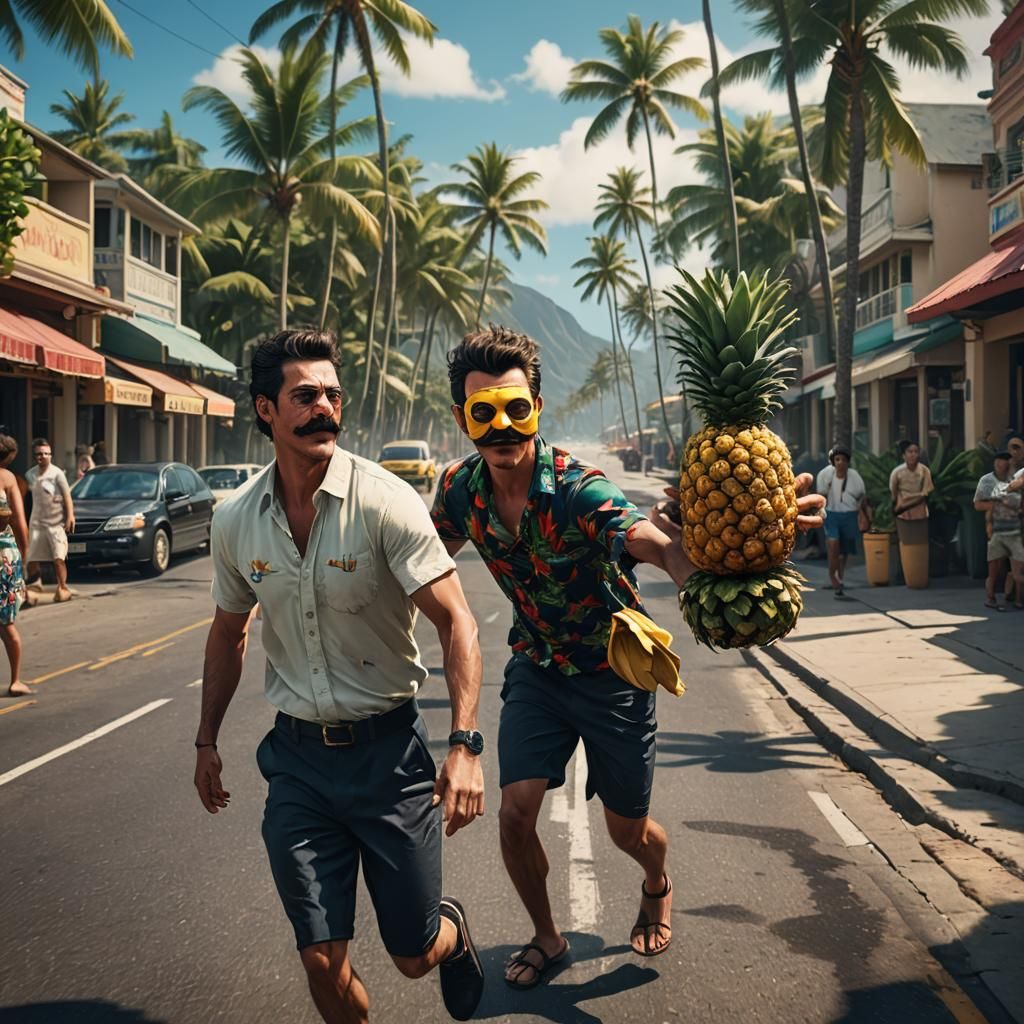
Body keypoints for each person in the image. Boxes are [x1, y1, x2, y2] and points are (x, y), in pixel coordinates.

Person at [430, 326, 825, 988]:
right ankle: (549, 938)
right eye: (483, 412)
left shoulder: (578, 489)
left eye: (515, 408)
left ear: (537, 408)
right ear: (461, 418)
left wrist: (719, 551)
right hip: (538, 669)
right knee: (515, 813)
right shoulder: (459, 493)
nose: (501, 427)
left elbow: (648, 540)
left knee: (627, 832)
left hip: (615, 673)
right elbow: (417, 562)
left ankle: (656, 881)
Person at [194, 328, 486, 1024]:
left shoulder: (385, 501)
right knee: (322, 962)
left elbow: (458, 623)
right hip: (299, 766)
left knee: (413, 955)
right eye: (305, 396)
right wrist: (206, 740)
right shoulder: (236, 520)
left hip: (391, 760)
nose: (324, 408)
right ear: (266, 409)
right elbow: (228, 633)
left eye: (332, 394)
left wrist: (464, 744)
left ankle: (448, 932)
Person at [973, 450, 1024, 611]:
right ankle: (991, 598)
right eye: (998, 461)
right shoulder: (987, 481)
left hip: (1015, 531)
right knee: (994, 570)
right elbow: (978, 504)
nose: (1001, 464)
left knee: (1017, 570)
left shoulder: (1016, 480)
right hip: (996, 530)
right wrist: (997, 505)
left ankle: (1017, 600)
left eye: (1005, 461)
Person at [25, 438, 74, 602]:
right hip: (36, 522)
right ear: (34, 456)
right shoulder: (30, 475)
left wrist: (70, 516)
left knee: (59, 557)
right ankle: (35, 584)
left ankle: (63, 587)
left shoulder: (58, 474)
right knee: (32, 557)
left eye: (47, 453)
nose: (43, 457)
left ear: (51, 455)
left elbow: (67, 496)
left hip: (55, 523)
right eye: (39, 454)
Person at [815, 444, 866, 597]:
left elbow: (862, 495)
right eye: (837, 459)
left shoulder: (854, 476)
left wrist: (862, 513)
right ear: (833, 461)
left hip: (849, 515)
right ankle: (833, 577)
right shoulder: (825, 475)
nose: (840, 463)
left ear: (847, 461)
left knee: (844, 552)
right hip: (831, 515)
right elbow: (820, 496)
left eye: (843, 459)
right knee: (833, 545)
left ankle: (839, 578)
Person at [0, 434, 29, 696]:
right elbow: (20, 523)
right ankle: (15, 680)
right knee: (6, 622)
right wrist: (26, 561)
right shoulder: (8, 478)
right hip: (4, 557)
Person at [890, 439, 933, 552]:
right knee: (906, 545)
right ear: (903, 455)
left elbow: (926, 492)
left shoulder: (925, 471)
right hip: (902, 514)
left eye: (916, 451)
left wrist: (913, 501)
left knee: (920, 545)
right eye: (910, 451)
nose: (913, 454)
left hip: (921, 512)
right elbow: (893, 493)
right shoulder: (897, 472)